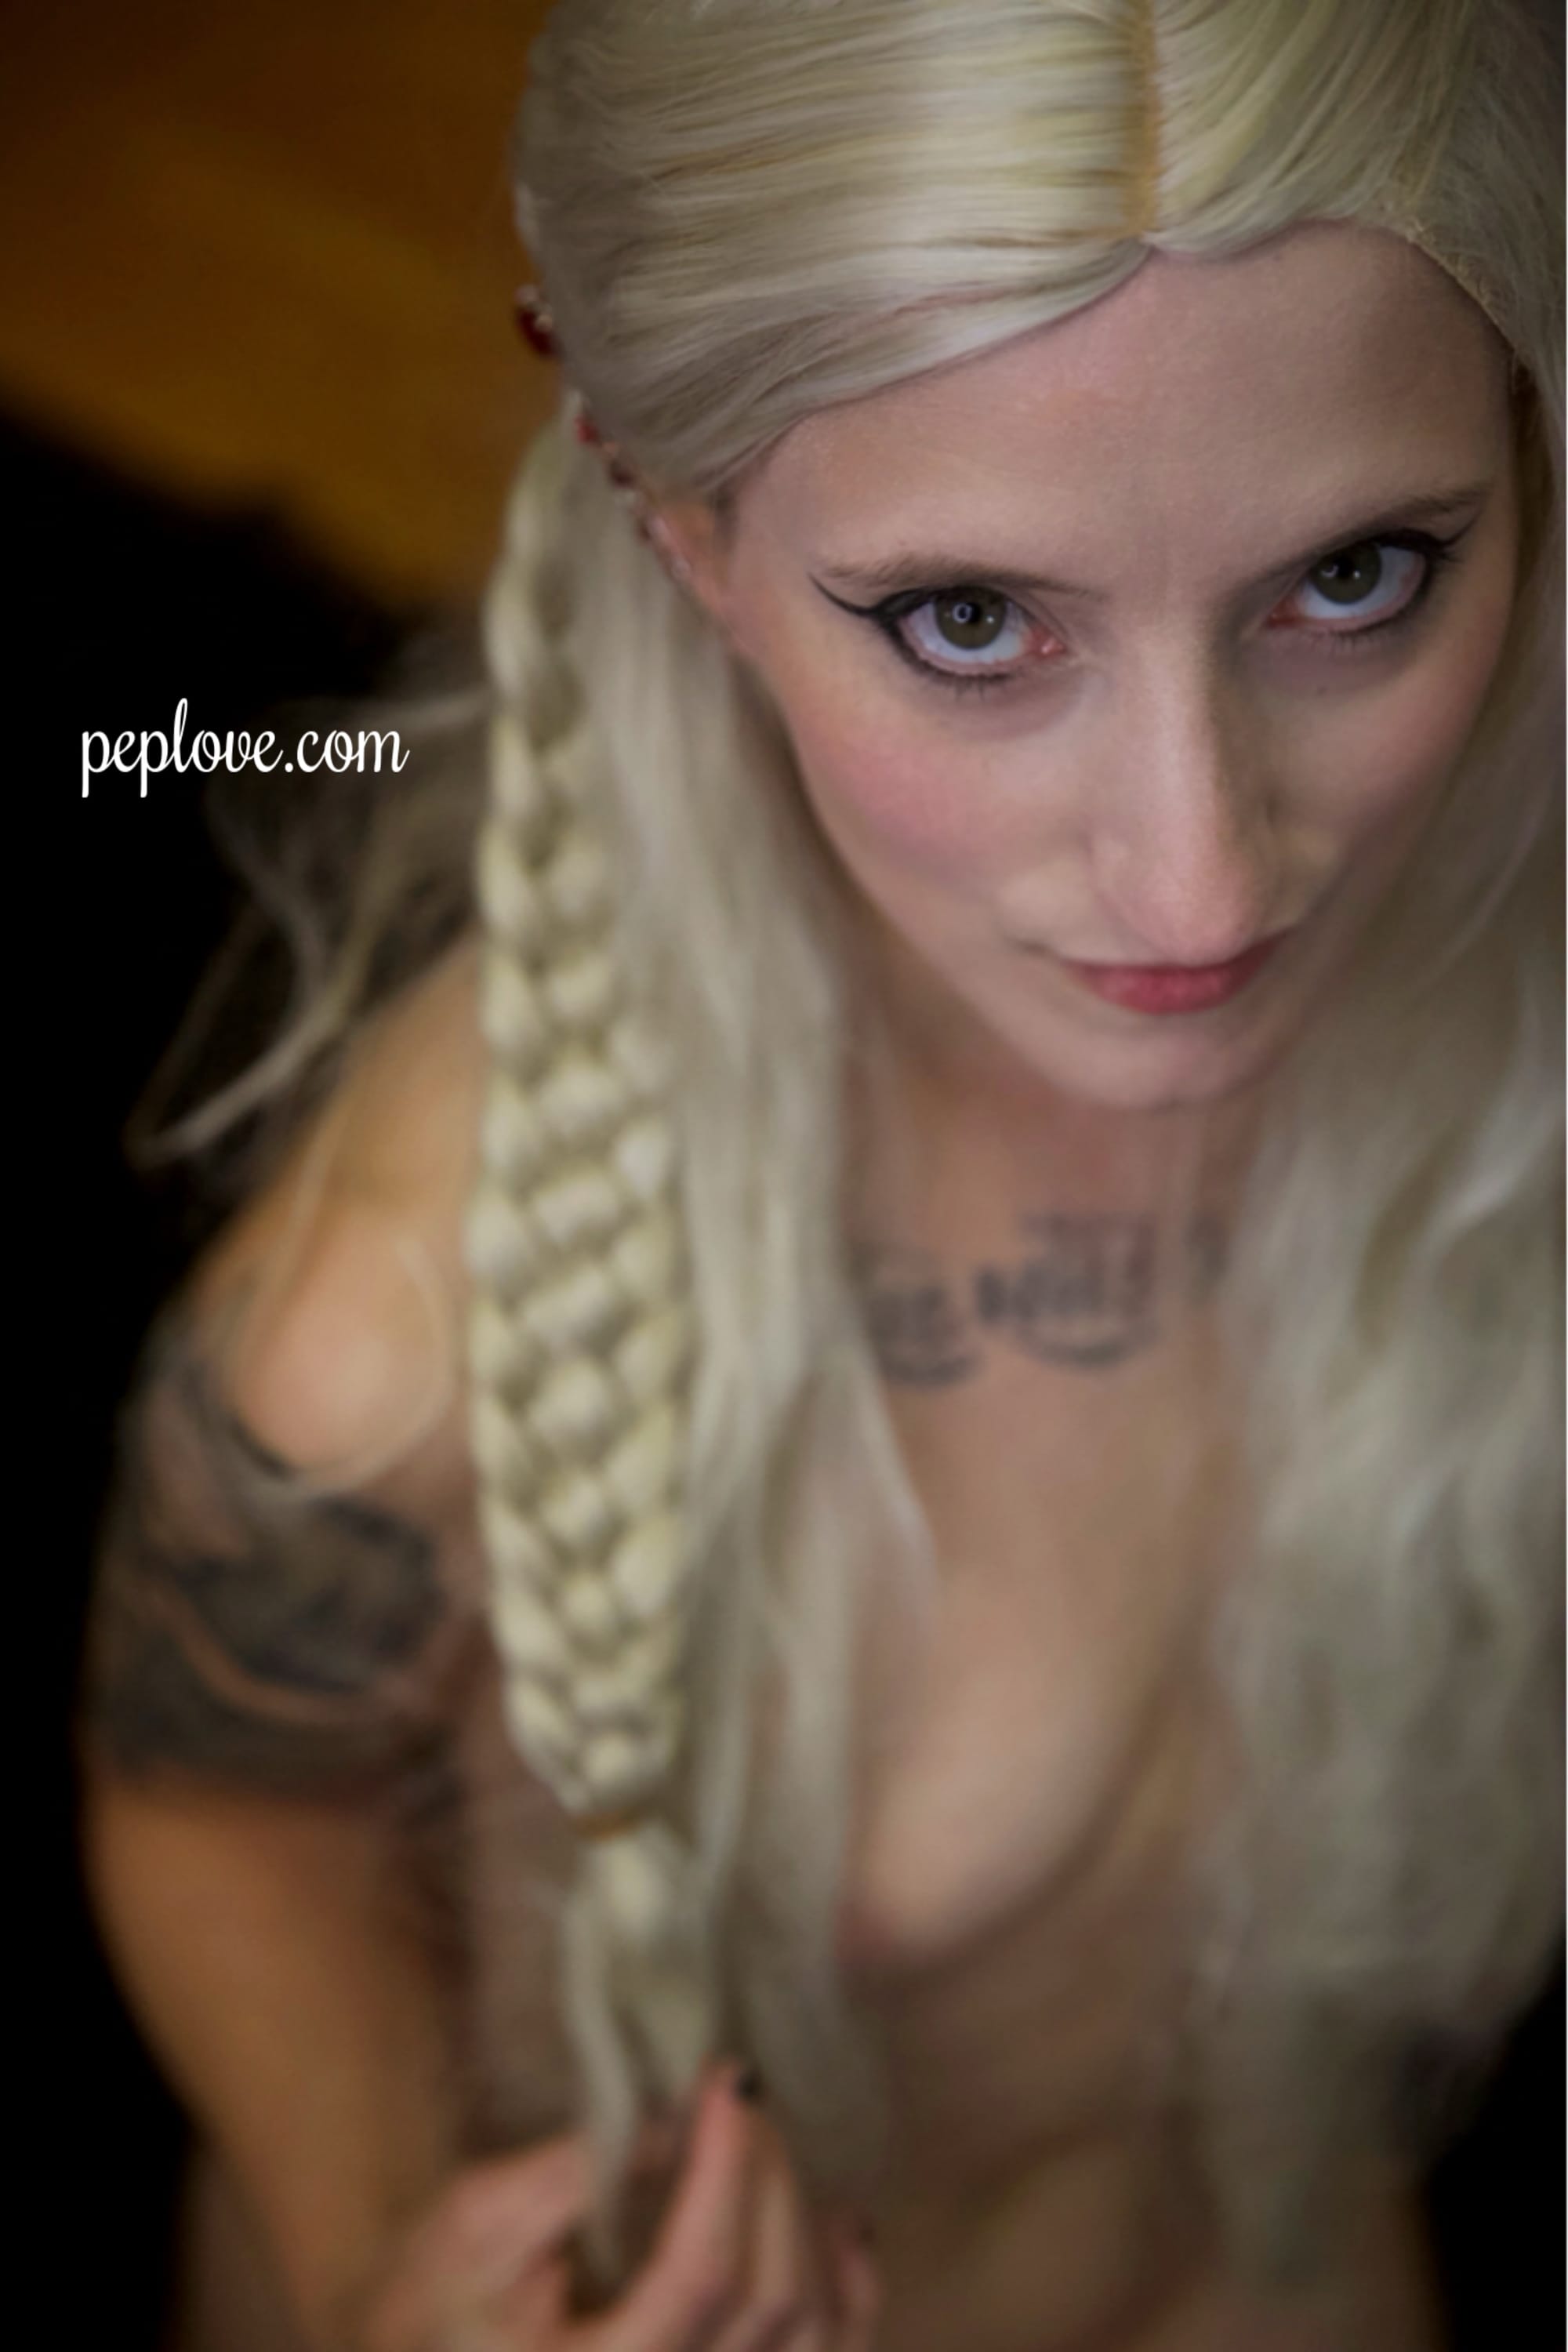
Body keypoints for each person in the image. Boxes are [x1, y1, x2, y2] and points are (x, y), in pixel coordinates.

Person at [78, 1, 1563, 2347]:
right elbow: (214, 1802)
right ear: (682, 531)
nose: (1203, 880)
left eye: (1358, 576)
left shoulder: (1507, 1025)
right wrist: (379, 2252)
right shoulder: (390, 1344)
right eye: (973, 623)